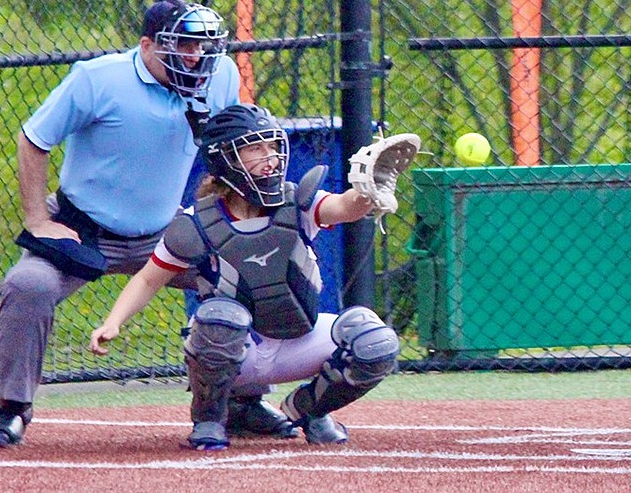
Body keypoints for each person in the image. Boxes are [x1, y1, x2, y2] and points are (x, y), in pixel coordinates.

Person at [0, 0, 289, 449]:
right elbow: (34, 139)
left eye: (202, 47)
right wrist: (37, 219)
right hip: (83, 227)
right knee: (28, 285)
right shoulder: (98, 79)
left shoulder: (221, 73)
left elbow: (225, 151)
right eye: (183, 46)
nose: (195, 58)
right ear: (147, 45)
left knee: (245, 275)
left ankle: (239, 402)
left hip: (166, 228)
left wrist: (225, 219)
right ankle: (10, 408)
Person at [89, 105, 410, 450]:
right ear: (225, 158)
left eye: (272, 146)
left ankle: (308, 410)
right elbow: (148, 279)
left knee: (374, 341)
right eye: (255, 148)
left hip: (296, 339)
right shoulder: (197, 222)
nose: (269, 157)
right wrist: (113, 322)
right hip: (236, 350)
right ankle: (211, 418)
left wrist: (367, 191)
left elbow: (344, 207)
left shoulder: (297, 202)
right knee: (221, 317)